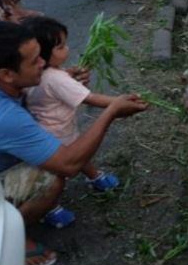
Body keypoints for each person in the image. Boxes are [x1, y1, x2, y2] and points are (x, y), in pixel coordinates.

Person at [0, 21, 148, 265]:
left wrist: (58, 78)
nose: (44, 64)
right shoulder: (3, 118)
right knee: (52, 178)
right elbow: (69, 165)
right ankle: (10, 236)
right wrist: (110, 113)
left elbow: (28, 93)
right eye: (36, 61)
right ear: (7, 74)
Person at [21, 17, 124, 225]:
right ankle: (49, 208)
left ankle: (94, 177)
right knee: (63, 166)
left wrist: (67, 74)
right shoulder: (57, 79)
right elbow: (90, 98)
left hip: (47, 132)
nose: (66, 49)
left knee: (80, 154)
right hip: (58, 135)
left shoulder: (35, 73)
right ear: (41, 54)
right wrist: (119, 103)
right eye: (60, 47)